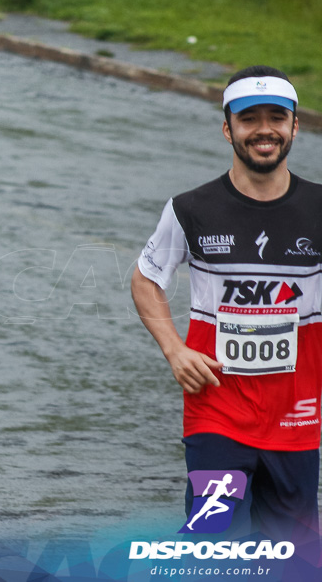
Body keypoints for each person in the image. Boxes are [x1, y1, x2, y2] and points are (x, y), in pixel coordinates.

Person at [131, 65, 321, 552]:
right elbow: (147, 277)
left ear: (295, 126)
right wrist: (174, 351)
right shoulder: (191, 209)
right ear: (227, 128)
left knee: (293, 554)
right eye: (248, 118)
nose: (264, 129)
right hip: (217, 410)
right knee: (214, 540)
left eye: (276, 117)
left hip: (297, 417)